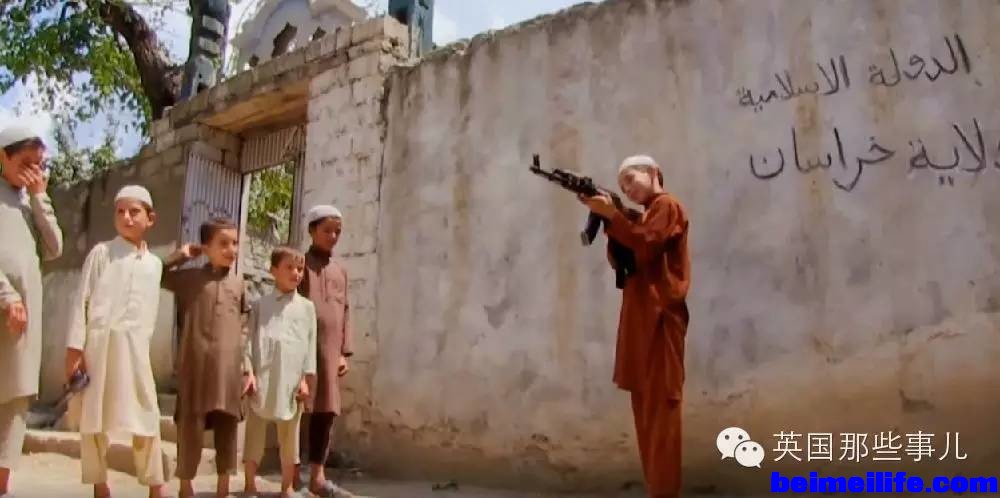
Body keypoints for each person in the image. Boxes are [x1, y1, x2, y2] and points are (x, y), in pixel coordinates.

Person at [579, 154, 691, 498]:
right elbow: (625, 258)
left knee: (661, 414)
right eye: (622, 185)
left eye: (631, 178)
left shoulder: (667, 206)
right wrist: (609, 217)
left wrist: (614, 215)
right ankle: (656, 489)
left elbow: (647, 243)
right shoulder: (641, 217)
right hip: (640, 320)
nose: (627, 188)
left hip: (659, 321)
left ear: (654, 172)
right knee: (645, 413)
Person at [65, 185, 168, 498]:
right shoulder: (102, 253)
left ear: (150, 218)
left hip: (135, 351)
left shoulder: (154, 265)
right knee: (93, 418)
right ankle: (100, 484)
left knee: (147, 413)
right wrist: (74, 350)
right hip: (100, 347)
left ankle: (156, 484)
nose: (126, 217)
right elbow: (82, 300)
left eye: (134, 211)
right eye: (120, 211)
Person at [161, 218, 250, 498]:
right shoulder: (189, 279)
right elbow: (155, 274)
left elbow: (244, 327)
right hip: (195, 366)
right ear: (206, 247)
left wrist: (247, 367)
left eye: (234, 243)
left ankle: (223, 488)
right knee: (190, 425)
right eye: (223, 243)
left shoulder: (238, 284)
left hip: (227, 369)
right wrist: (181, 255)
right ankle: (185, 486)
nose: (231, 249)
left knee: (227, 425)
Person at [0, 124, 63, 496]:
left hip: (23, 320)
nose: (33, 172)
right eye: (26, 163)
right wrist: (6, 296)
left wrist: (40, 198)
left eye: (39, 165)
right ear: (3, 156)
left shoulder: (29, 201)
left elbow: (54, 247)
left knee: (17, 398)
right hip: (6, 307)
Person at [243, 247, 317, 498]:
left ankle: (286, 487)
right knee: (255, 432)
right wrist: (249, 372)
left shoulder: (307, 308)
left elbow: (309, 346)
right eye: (289, 268)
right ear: (273, 270)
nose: (296, 273)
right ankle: (250, 485)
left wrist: (305, 379)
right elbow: (249, 341)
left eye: (300, 269)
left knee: (290, 436)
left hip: (292, 380)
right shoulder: (259, 305)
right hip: (263, 375)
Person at [296, 205, 354, 498]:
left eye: (337, 232)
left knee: (326, 411)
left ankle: (317, 478)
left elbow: (345, 312)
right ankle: (292, 476)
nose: (333, 236)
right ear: (312, 230)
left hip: (330, 352)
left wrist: (344, 351)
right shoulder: (299, 264)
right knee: (297, 410)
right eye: (327, 230)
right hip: (302, 348)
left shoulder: (340, 271)